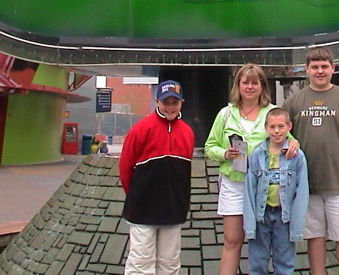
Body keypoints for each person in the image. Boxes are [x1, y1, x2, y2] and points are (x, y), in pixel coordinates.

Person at [283, 47, 339, 275]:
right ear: (307, 70)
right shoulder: (293, 102)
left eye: (324, 66)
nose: (320, 71)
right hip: (306, 185)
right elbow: (280, 137)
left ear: (333, 68)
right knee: (314, 237)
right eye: (315, 67)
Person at [205, 63, 300, 275]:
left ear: (262, 86)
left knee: (261, 242)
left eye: (255, 82)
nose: (250, 87)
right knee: (232, 240)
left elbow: (289, 139)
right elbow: (209, 147)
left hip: (262, 187)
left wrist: (294, 143)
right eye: (245, 82)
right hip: (234, 184)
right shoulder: (225, 114)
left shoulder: (271, 112)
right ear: (237, 85)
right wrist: (224, 153)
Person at [119, 80, 195, 275]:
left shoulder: (187, 132)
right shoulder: (141, 128)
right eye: (165, 102)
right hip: (142, 210)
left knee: (170, 263)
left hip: (173, 210)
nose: (170, 107)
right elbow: (126, 167)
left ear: (182, 103)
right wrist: (136, 196)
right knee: (141, 263)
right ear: (156, 102)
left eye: (174, 102)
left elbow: (184, 173)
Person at [243, 108, 309, 275]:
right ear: (266, 128)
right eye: (272, 127)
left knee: (284, 263)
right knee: (258, 263)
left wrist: (297, 224)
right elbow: (249, 189)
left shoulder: (297, 156)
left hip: (284, 217)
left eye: (281, 126)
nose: (277, 131)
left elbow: (302, 191)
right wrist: (250, 224)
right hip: (262, 215)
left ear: (289, 127)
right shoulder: (257, 155)